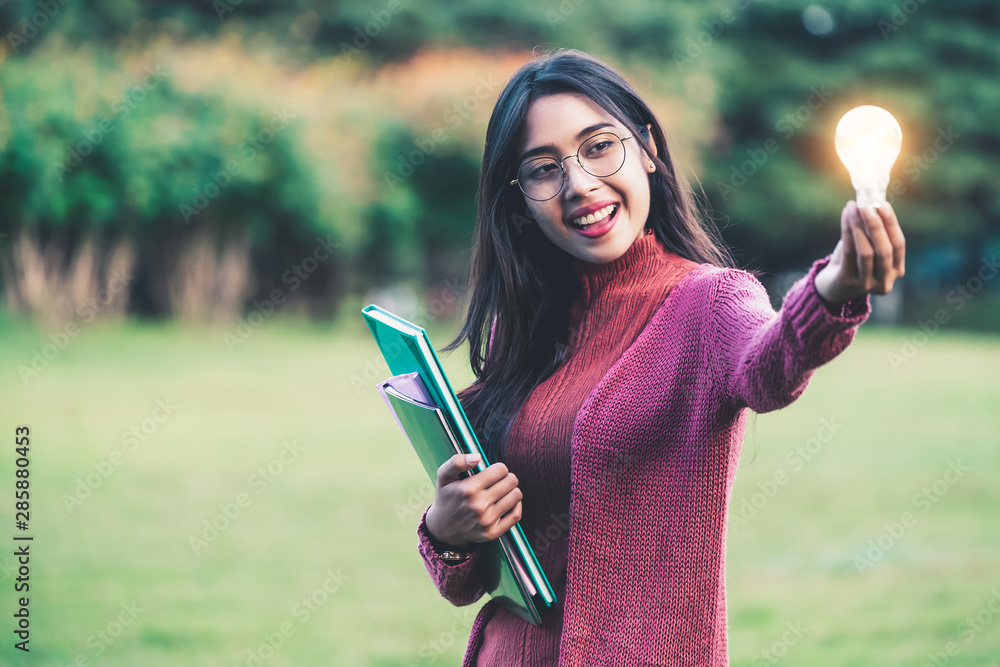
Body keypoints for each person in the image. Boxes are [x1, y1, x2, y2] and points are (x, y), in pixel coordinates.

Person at [414, 49, 905, 666]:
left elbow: (771, 365)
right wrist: (445, 530)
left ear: (647, 148)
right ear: (518, 202)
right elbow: (467, 583)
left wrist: (834, 288)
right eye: (543, 168)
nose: (580, 184)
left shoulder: (708, 302)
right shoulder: (527, 340)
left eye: (599, 146)